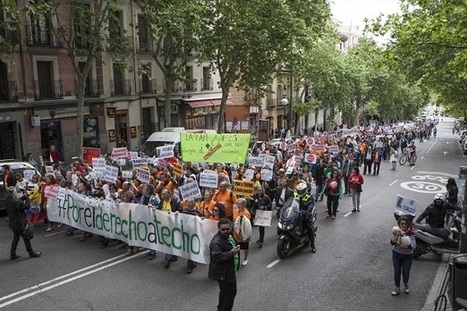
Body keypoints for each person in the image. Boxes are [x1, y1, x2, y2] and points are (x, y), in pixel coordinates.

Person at [208, 218, 240, 311]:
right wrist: (232, 253)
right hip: (223, 273)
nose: (226, 231)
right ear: (219, 229)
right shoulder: (216, 242)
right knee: (230, 293)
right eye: (223, 229)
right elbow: (218, 257)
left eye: (227, 229)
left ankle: (221, 308)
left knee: (224, 292)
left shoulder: (228, 236)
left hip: (228, 270)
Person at [5, 187, 42, 260]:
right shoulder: (16, 201)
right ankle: (31, 252)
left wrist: (24, 197)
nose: (16, 192)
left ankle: (12, 254)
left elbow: (18, 202)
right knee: (26, 237)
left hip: (13, 222)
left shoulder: (7, 201)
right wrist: (28, 198)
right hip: (20, 222)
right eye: (15, 191)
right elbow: (27, 206)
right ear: (13, 193)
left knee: (16, 238)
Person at [390, 216, 416, 296]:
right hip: (396, 255)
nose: (403, 225)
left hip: (407, 256)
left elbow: (414, 246)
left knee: (406, 273)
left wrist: (406, 246)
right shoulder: (396, 231)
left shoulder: (411, 233)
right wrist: (397, 236)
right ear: (399, 224)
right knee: (397, 271)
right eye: (402, 224)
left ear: (408, 224)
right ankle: (397, 287)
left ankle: (406, 283)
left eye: (405, 224)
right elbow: (392, 242)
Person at [181, 198, 203, 274]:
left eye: (190, 202)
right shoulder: (184, 210)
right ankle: (193, 262)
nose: (188, 204)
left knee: (191, 248)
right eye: (188, 202)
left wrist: (201, 219)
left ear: (194, 203)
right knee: (188, 249)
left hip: (194, 233)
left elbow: (202, 221)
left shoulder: (197, 212)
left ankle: (189, 266)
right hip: (186, 233)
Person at [294, 182, 317, 252]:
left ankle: (312, 245)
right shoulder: (295, 195)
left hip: (306, 215)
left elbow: (311, 204)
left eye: (301, 191)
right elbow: (290, 202)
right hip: (296, 213)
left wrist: (307, 211)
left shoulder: (309, 196)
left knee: (309, 228)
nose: (300, 192)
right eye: (299, 191)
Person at [232, 198, 252, 266]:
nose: (238, 205)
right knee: (236, 247)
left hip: (243, 234)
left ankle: (245, 258)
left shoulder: (246, 213)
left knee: (245, 247)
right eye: (237, 204)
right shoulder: (235, 211)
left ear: (244, 205)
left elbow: (246, 224)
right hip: (236, 234)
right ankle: (236, 258)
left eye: (239, 204)